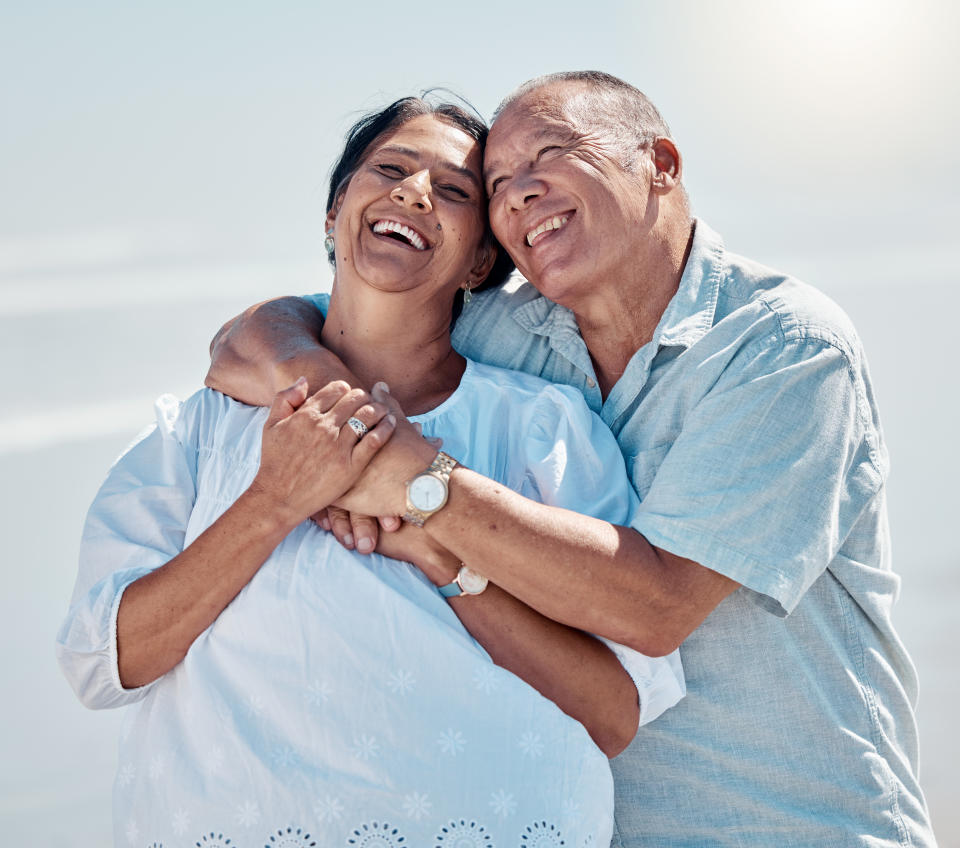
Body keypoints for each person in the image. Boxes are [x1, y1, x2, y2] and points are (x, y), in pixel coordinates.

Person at [208, 72, 937, 847]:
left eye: (550, 153)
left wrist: (416, 481)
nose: (518, 193)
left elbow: (653, 610)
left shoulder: (783, 348)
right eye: (494, 184)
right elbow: (264, 334)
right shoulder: (504, 336)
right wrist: (338, 412)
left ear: (659, 161)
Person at [56, 96, 685, 847]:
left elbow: (615, 716)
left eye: (453, 191)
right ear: (334, 213)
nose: (414, 192)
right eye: (389, 169)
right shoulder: (201, 426)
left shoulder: (543, 429)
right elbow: (103, 665)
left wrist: (445, 558)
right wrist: (274, 501)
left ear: (482, 259)